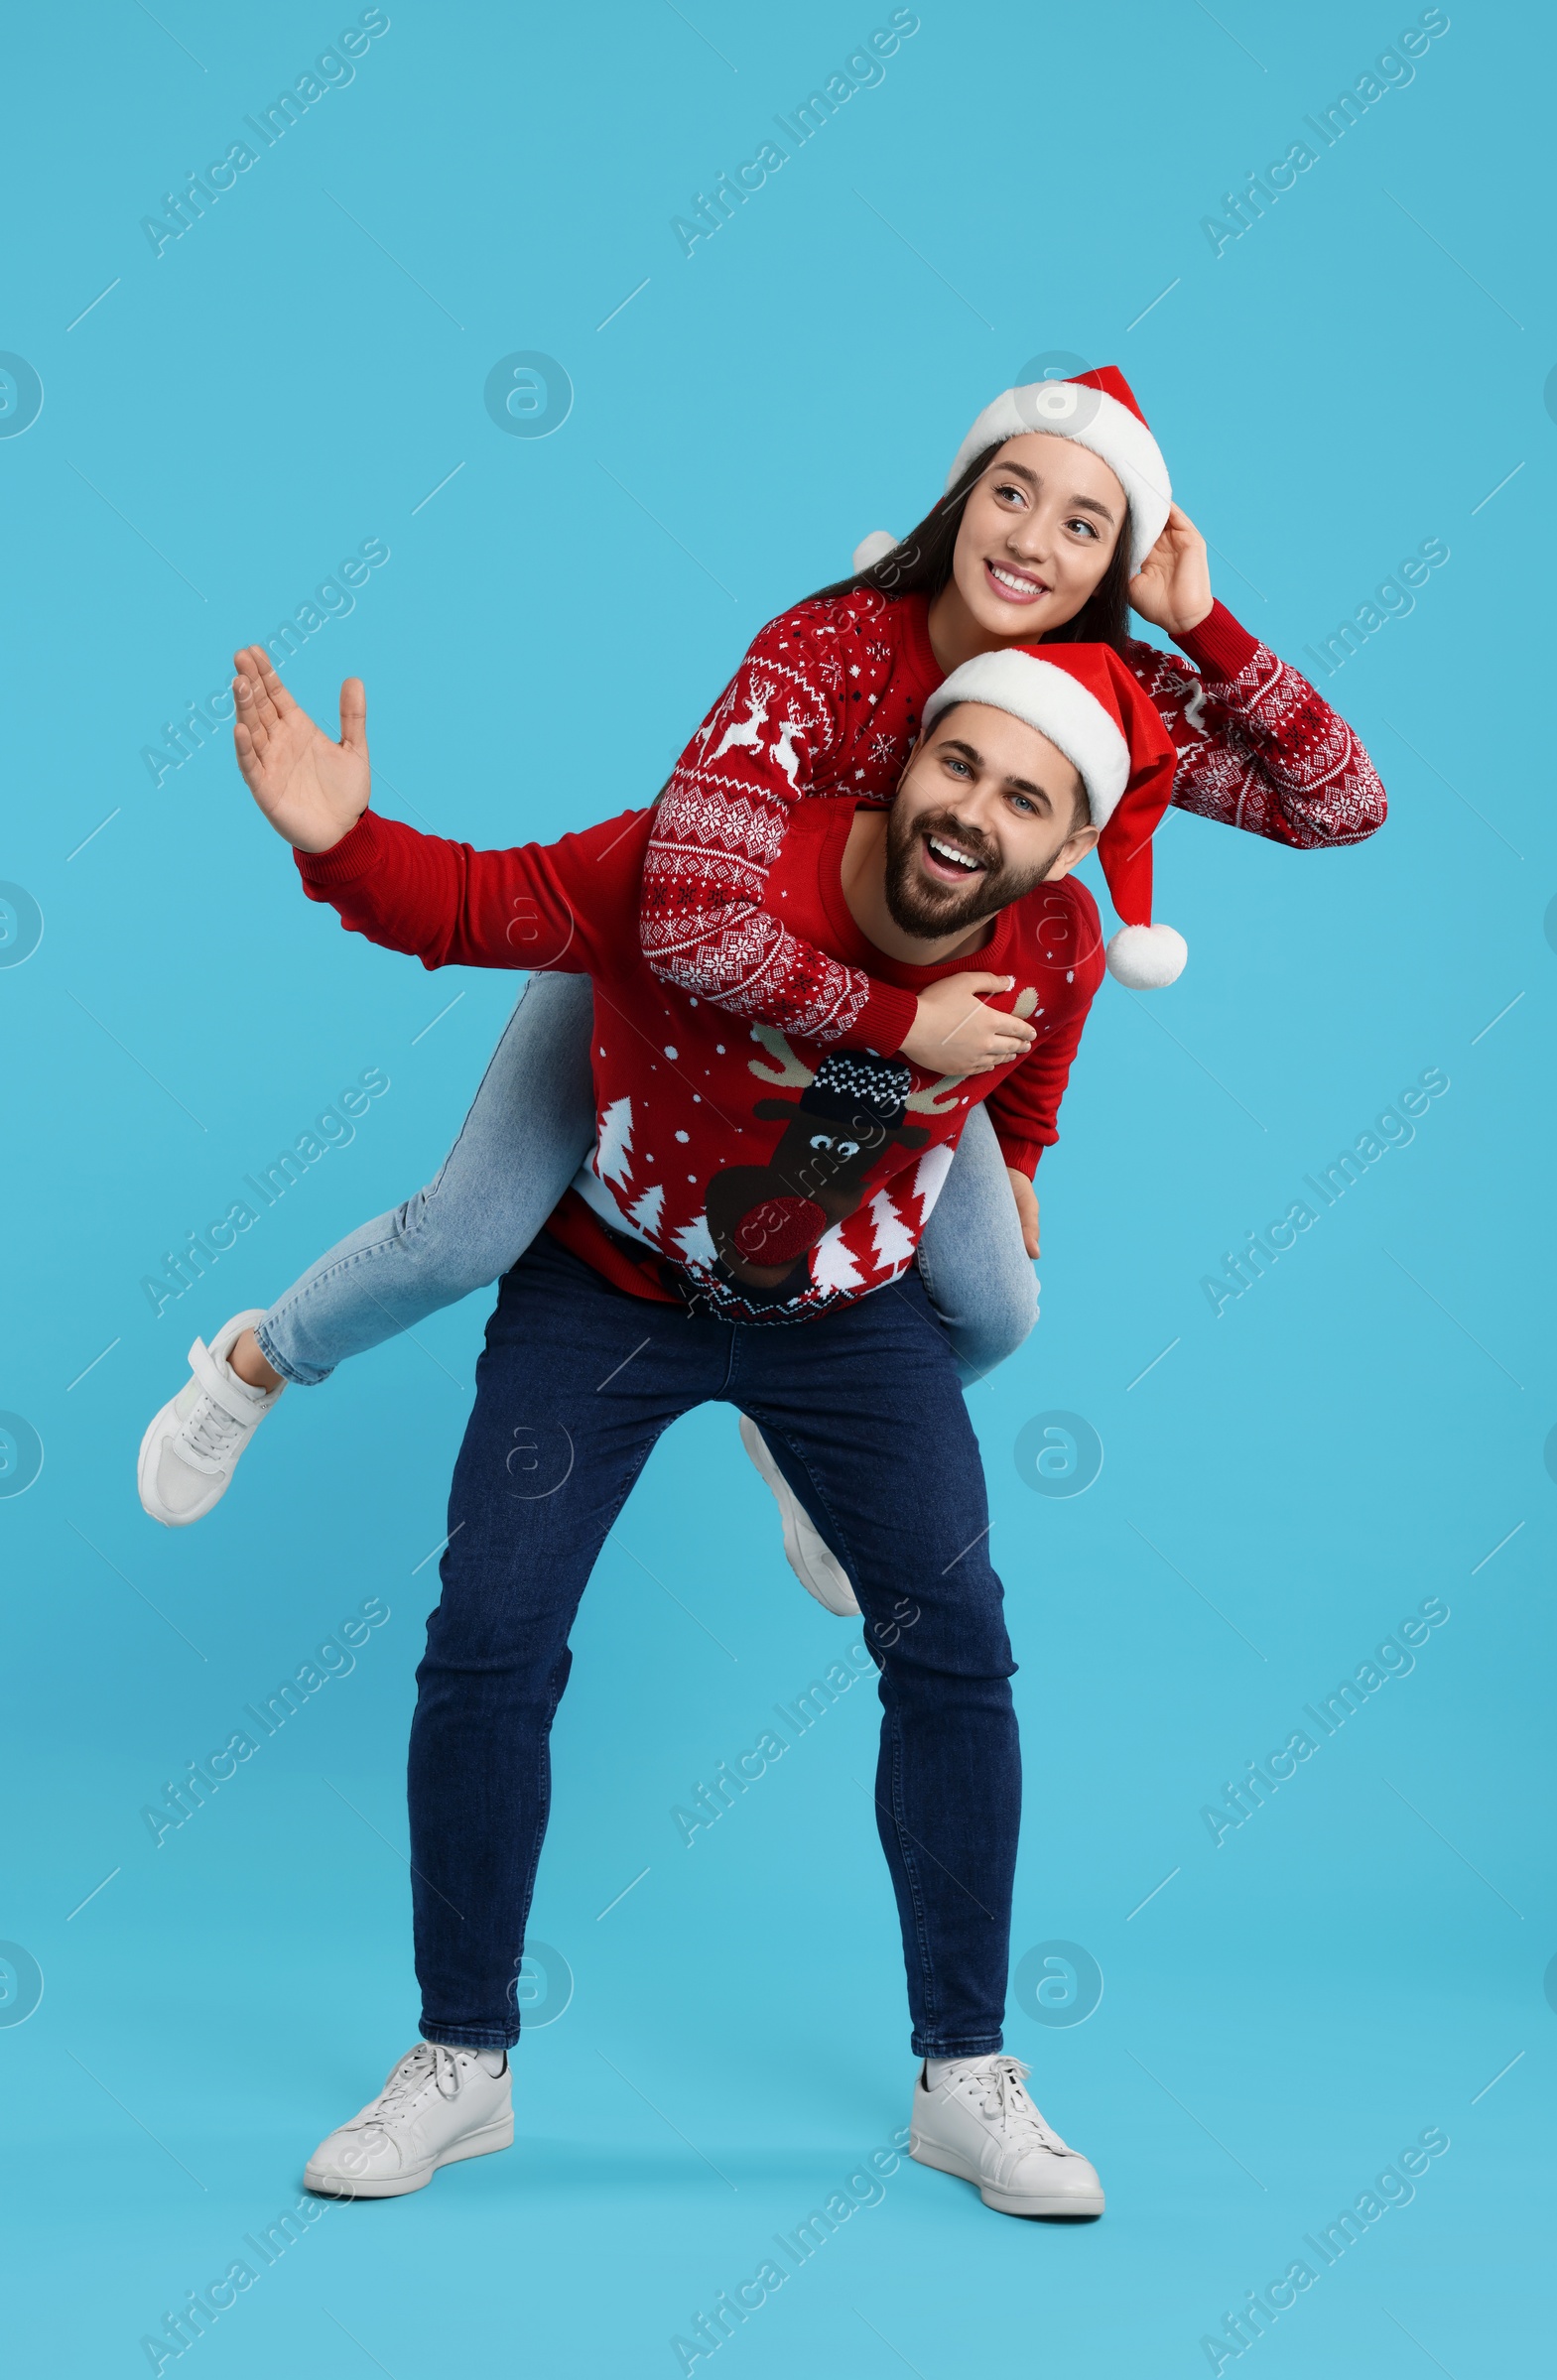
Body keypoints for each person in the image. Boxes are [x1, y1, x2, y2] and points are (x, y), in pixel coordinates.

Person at [137, 367, 1386, 1581]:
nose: (1031, 542)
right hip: (676, 984)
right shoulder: (825, 645)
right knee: (463, 1234)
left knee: (999, 1309)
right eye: (1011, 492)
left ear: (1113, 563)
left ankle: (801, 1435)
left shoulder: (1088, 696)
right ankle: (259, 1359)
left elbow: (1340, 804)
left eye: (1083, 524)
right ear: (960, 497)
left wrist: (1202, 623)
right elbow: (682, 916)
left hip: (883, 1063)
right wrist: (341, 844)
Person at [224, 627, 1176, 2216]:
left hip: (849, 1317)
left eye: (1025, 797)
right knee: (491, 1637)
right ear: (905, 759)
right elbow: (471, 904)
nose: (973, 813)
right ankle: (460, 2057)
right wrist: (338, 840)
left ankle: (966, 2077)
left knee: (955, 1639)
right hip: (611, 1283)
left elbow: (1038, 1057)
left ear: (1067, 844)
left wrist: (1022, 1152)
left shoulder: (1056, 938)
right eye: (958, 763)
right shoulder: (709, 866)